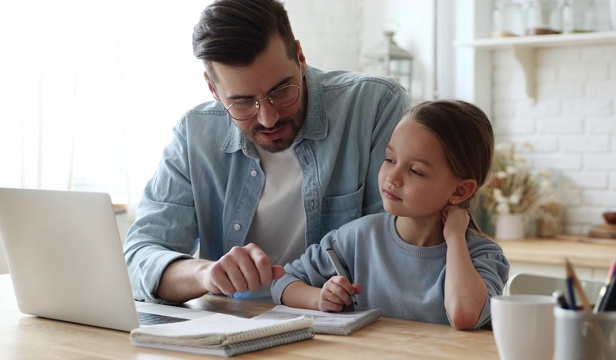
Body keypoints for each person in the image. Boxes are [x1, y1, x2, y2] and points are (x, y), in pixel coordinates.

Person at [123, 0, 409, 303]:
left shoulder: (373, 106)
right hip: (233, 329)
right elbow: (140, 258)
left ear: (300, 57)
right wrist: (206, 274)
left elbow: (400, 248)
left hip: (342, 326)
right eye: (243, 102)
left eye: (281, 91)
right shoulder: (194, 135)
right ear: (213, 89)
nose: (268, 118)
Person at [271, 100, 510, 330]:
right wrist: (320, 298)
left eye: (415, 171)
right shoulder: (356, 237)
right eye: (389, 159)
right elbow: (283, 283)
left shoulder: (483, 256)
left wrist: (456, 237)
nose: (392, 177)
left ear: (460, 190)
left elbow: (464, 315)